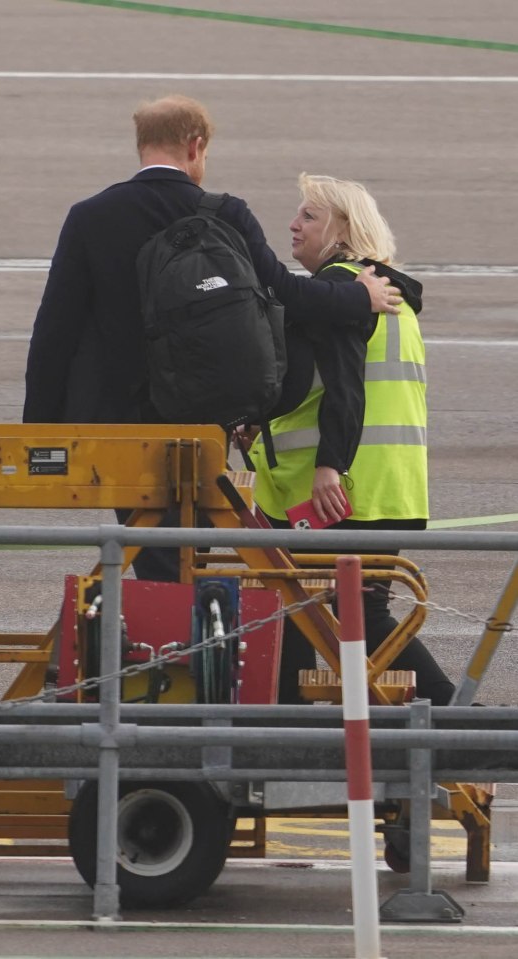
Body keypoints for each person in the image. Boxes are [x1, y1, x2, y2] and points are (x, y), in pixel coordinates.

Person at [23, 95, 401, 582]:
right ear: (196, 147)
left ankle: (170, 642)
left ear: (141, 145)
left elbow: (54, 329)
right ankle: (193, 644)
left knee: (151, 551)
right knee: (192, 550)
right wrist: (357, 297)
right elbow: (284, 294)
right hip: (201, 416)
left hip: (119, 423)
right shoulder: (225, 213)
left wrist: (40, 434)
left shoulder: (90, 216)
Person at [247, 172, 456, 706]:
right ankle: (431, 718)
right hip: (391, 485)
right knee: (323, 605)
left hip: (340, 490)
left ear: (343, 229)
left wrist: (327, 466)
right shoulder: (391, 296)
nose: (293, 224)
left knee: (300, 602)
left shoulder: (342, 293)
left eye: (309, 216)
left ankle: (453, 715)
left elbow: (344, 386)